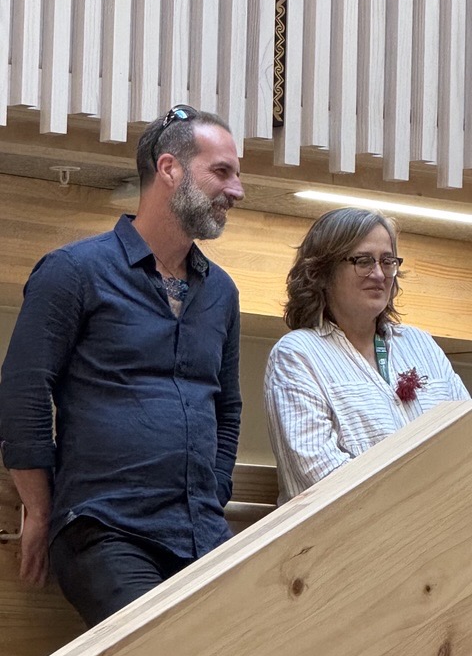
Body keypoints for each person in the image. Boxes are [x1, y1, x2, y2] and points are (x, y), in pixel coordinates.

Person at [0, 104, 244, 626]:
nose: (237, 189)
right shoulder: (74, 271)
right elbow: (23, 390)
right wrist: (40, 509)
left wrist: (216, 489)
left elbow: (228, 407)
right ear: (170, 169)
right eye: (222, 171)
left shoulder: (222, 292)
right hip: (106, 530)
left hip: (202, 534)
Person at [265, 207, 470, 504]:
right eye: (363, 261)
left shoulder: (421, 345)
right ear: (322, 272)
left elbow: (465, 440)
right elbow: (323, 478)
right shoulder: (298, 355)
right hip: (351, 538)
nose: (378, 274)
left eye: (387, 261)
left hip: (438, 530)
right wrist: (419, 500)